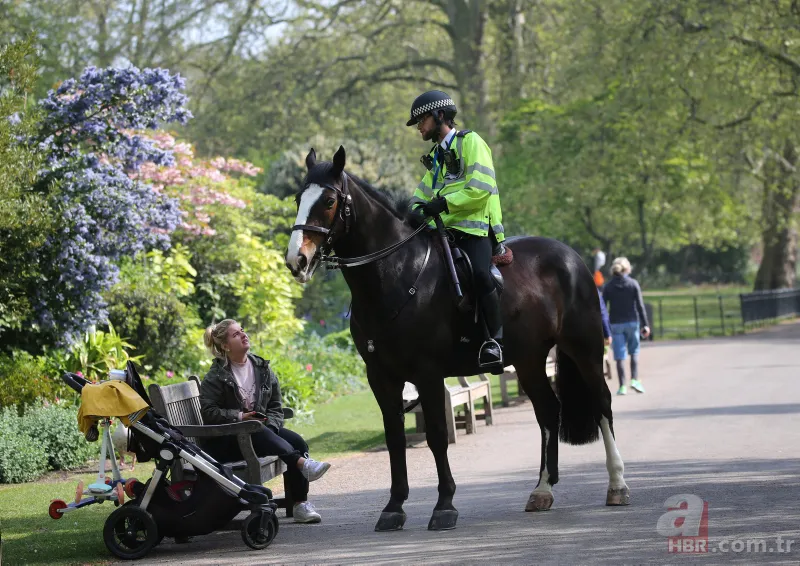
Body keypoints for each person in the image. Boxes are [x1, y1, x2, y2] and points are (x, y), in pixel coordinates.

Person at [407, 90, 505, 371]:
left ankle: (495, 341)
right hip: (444, 230)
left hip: (475, 229)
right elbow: (421, 194)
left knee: (480, 276)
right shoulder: (436, 156)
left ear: (439, 116)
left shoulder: (471, 142)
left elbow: (480, 188)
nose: (419, 128)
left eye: (422, 120)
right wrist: (410, 213)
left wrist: (444, 204)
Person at [199, 319, 331, 523]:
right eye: (236, 334)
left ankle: (300, 505)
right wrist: (240, 416)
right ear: (225, 346)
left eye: (242, 330)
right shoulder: (216, 376)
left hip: (258, 434)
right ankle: (302, 463)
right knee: (255, 429)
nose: (244, 335)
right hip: (226, 441)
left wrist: (271, 429)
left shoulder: (261, 368)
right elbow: (209, 412)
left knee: (297, 442)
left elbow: (276, 407)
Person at [602, 257, 650, 395]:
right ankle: (634, 380)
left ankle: (622, 386)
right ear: (627, 269)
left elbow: (603, 308)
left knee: (619, 355)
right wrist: (645, 325)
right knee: (634, 352)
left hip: (615, 324)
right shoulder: (633, 284)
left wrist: (604, 328)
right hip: (632, 322)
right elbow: (640, 306)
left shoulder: (608, 286)